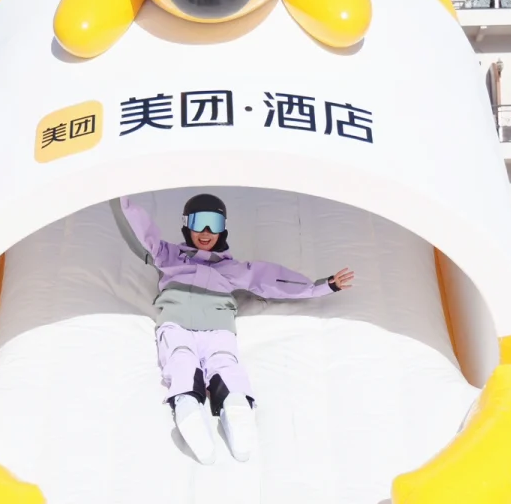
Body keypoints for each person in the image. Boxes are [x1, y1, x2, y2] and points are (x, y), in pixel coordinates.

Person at [120, 194, 355, 464]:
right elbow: (140, 230)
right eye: (199, 222)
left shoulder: (232, 269)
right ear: (186, 225)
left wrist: (323, 286)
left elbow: (273, 280)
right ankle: (187, 407)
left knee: (224, 362)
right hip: (177, 323)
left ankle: (236, 406)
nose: (206, 232)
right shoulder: (168, 255)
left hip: (218, 328)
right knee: (180, 358)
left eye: (214, 224)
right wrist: (122, 194)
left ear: (223, 228)